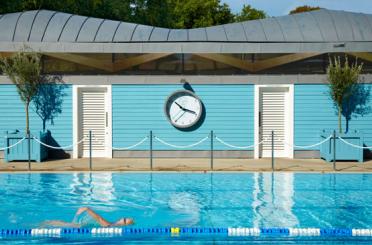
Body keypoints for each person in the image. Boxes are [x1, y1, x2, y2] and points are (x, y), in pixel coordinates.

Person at [42, 207, 134, 228]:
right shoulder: (112, 224)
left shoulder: (110, 225)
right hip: (79, 226)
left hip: (75, 227)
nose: (123, 218)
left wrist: (87, 209)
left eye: (125, 220)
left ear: (124, 224)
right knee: (56, 221)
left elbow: (99, 219)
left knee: (50, 223)